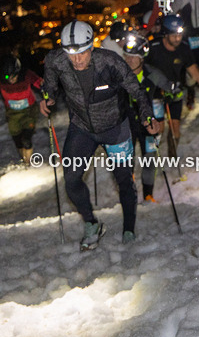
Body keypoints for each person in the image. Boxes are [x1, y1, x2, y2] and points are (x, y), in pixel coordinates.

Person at [40, 21, 163, 247]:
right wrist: (47, 96)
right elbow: (49, 83)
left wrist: (147, 118)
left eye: (82, 53)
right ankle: (91, 223)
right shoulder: (55, 60)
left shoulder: (110, 62)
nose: (76, 60)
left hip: (115, 128)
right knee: (71, 179)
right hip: (82, 129)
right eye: (71, 54)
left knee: (124, 181)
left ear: (91, 46)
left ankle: (128, 229)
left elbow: (137, 91)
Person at [145, 15, 199, 151]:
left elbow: (194, 71)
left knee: (175, 129)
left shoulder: (183, 49)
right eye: (174, 36)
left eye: (179, 35)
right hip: (155, 94)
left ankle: (172, 158)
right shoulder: (153, 48)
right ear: (165, 34)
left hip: (175, 91)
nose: (177, 38)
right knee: (159, 128)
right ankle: (151, 156)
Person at [122, 32, 173, 203]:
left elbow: (171, 88)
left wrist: (173, 93)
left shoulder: (152, 74)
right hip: (126, 124)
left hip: (148, 123)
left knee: (149, 160)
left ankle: (148, 195)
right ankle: (129, 194)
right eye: (126, 56)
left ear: (142, 59)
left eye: (134, 57)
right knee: (126, 161)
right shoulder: (118, 75)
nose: (129, 60)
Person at [1, 54, 42, 165]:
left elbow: (39, 82)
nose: (11, 80)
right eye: (7, 77)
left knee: (26, 139)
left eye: (14, 76)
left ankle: (27, 163)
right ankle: (23, 159)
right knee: (18, 140)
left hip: (28, 110)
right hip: (12, 113)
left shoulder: (26, 75)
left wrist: (46, 91)